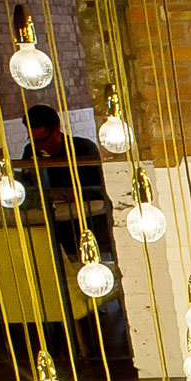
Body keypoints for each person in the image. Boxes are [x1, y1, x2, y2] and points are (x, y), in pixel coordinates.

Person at [20, 104, 113, 263]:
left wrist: (65, 194)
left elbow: (99, 188)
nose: (38, 146)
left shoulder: (83, 149)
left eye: (42, 140)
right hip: (56, 230)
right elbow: (29, 186)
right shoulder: (30, 151)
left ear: (57, 130)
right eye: (33, 139)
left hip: (89, 226)